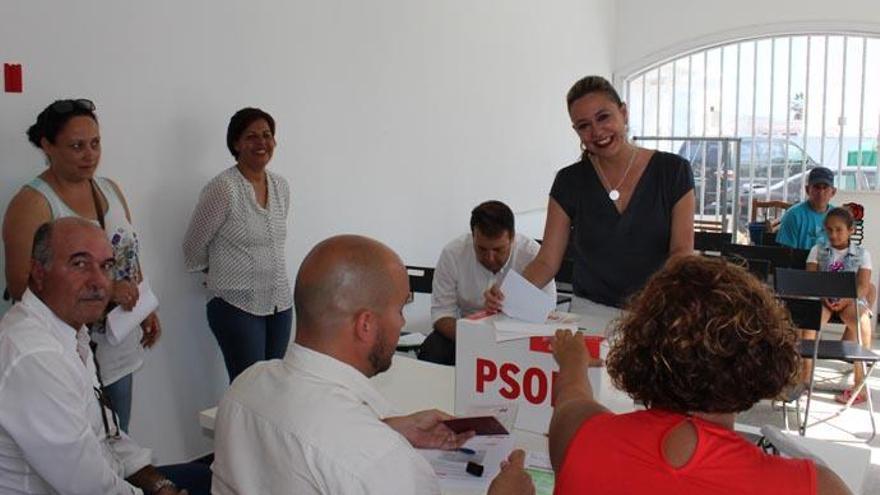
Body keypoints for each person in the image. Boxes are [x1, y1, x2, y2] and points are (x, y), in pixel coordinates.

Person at [211, 235, 534, 495]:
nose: (403, 322)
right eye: (400, 309)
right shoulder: (378, 461)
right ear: (366, 324)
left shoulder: (244, 386)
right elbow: (345, 450)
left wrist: (388, 427)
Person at [547, 256, 850, 494]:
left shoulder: (576, 436)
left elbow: (571, 395)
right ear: (761, 358)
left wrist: (573, 361)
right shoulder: (817, 487)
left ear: (639, 347)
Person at [0, 218, 211, 495]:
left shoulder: (71, 332)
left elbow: (108, 435)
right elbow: (89, 487)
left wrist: (160, 486)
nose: (99, 282)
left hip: (102, 480)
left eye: (106, 266)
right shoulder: (34, 356)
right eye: (79, 264)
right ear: (39, 273)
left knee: (208, 478)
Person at [2, 99, 160, 432]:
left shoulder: (110, 190)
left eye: (95, 143)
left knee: (119, 442)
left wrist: (144, 304)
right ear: (47, 146)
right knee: (79, 450)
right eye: (76, 146)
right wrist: (107, 291)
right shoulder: (31, 204)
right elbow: (21, 286)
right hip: (66, 355)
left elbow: (128, 250)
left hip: (117, 342)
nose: (90, 155)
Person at [486, 75, 694, 319]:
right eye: (584, 125)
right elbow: (547, 262)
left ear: (624, 113)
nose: (596, 131)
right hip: (591, 314)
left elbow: (681, 252)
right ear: (576, 131)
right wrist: (506, 293)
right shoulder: (569, 181)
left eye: (603, 117)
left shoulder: (673, 171)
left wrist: (662, 304)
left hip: (657, 313)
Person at [183, 107, 292, 382]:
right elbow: (193, 247)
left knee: (275, 387)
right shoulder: (223, 188)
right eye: (251, 136)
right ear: (236, 143)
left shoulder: (281, 186)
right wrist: (216, 272)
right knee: (249, 390)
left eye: (267, 135)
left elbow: (272, 241)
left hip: (279, 304)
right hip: (236, 306)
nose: (261, 143)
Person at [419, 200, 555, 365]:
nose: (490, 258)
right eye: (481, 249)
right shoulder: (453, 254)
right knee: (434, 348)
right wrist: (476, 337)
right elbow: (442, 315)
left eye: (498, 250)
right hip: (467, 333)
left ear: (512, 238)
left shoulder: (534, 257)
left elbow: (548, 314)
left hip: (518, 336)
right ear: (473, 236)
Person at [806, 207, 874, 405]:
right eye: (829, 230)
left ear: (851, 230)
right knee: (808, 324)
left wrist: (846, 298)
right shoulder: (818, 250)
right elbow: (811, 278)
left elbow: (863, 286)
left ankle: (859, 385)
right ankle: (803, 378)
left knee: (863, 324)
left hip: (849, 299)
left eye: (839, 230)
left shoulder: (862, 254)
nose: (833, 234)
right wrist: (823, 295)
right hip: (823, 298)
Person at [776, 167, 837, 249]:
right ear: (807, 190)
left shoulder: (837, 217)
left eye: (825, 187)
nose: (821, 192)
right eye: (816, 187)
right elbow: (786, 253)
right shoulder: (793, 215)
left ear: (833, 192)